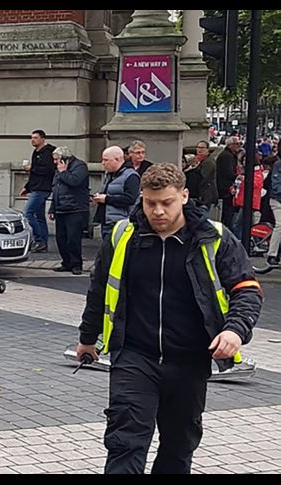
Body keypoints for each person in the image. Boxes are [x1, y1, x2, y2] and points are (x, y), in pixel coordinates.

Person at [76, 163, 262, 474]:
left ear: (184, 196)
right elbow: (99, 290)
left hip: (189, 360)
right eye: (150, 203)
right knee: (125, 443)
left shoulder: (213, 238)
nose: (158, 211)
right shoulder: (124, 236)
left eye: (167, 202)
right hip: (134, 356)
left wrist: (235, 331)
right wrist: (87, 338)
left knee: (178, 447)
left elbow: (247, 289)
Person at [48, 146, 89, 275]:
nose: (55, 162)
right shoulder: (58, 170)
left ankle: (76, 264)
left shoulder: (80, 166)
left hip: (75, 208)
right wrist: (52, 208)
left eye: (57, 159)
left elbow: (75, 182)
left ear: (64, 159)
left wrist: (63, 172)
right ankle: (66, 262)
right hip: (61, 208)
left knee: (73, 238)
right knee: (61, 238)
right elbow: (56, 189)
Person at [92, 146, 140, 240]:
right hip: (107, 220)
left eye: (106, 160)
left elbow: (130, 199)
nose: (103, 163)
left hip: (120, 222)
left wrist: (106, 199)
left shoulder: (131, 176)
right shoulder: (110, 174)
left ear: (117, 159)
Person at [21, 130, 56, 253]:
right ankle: (42, 243)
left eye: (35, 138)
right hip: (36, 187)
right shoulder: (35, 152)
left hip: (43, 188)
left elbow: (48, 170)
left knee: (28, 213)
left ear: (42, 139)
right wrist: (27, 187)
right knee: (40, 217)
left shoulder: (47, 153)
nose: (33, 140)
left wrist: (32, 168)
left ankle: (39, 239)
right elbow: (34, 174)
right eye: (32, 138)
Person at [216, 136, 241, 228]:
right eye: (236, 144)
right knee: (228, 213)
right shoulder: (227, 156)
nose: (238, 146)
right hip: (226, 188)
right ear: (230, 145)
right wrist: (238, 176)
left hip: (225, 187)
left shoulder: (228, 155)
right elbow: (228, 173)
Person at [191, 140, 219, 208]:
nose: (199, 150)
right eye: (198, 147)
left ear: (207, 150)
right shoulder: (197, 161)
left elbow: (202, 178)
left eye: (202, 148)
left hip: (205, 195)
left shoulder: (208, 162)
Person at [267, 155, 281, 266]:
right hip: (277, 200)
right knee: (280, 225)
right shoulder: (278, 164)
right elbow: (276, 185)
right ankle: (272, 254)